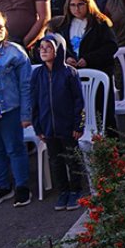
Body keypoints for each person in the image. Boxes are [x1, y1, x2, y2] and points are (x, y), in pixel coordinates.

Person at [0, 9, 33, 207]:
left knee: (15, 148)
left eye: (0, 27)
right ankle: (1, 186)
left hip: (9, 108)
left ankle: (22, 187)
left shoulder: (14, 52)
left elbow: (26, 85)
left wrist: (26, 114)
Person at [50, 0, 119, 133]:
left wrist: (88, 59)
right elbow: (59, 48)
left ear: (88, 4)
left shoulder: (100, 23)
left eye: (80, 4)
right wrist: (66, 58)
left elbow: (111, 46)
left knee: (103, 113)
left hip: (98, 73)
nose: (76, 9)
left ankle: (111, 147)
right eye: (73, 5)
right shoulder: (63, 25)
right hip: (74, 76)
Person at [30, 34, 85, 211]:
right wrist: (38, 127)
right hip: (48, 127)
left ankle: (76, 190)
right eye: (41, 47)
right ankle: (63, 191)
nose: (44, 50)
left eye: (49, 47)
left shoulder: (69, 73)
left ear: (58, 49)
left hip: (68, 127)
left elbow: (79, 101)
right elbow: (34, 102)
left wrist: (78, 125)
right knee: (56, 160)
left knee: (72, 158)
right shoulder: (37, 74)